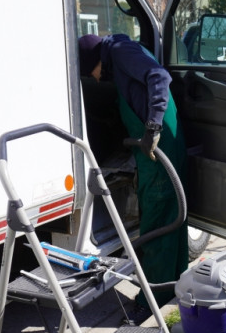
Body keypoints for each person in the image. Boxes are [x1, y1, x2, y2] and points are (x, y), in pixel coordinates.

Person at [78, 33, 188, 310]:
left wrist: (153, 126)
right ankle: (175, 287)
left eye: (91, 72)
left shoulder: (121, 52)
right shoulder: (120, 52)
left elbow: (159, 77)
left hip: (159, 145)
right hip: (158, 145)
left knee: (157, 220)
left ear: (95, 60)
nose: (95, 78)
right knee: (171, 217)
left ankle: (152, 302)